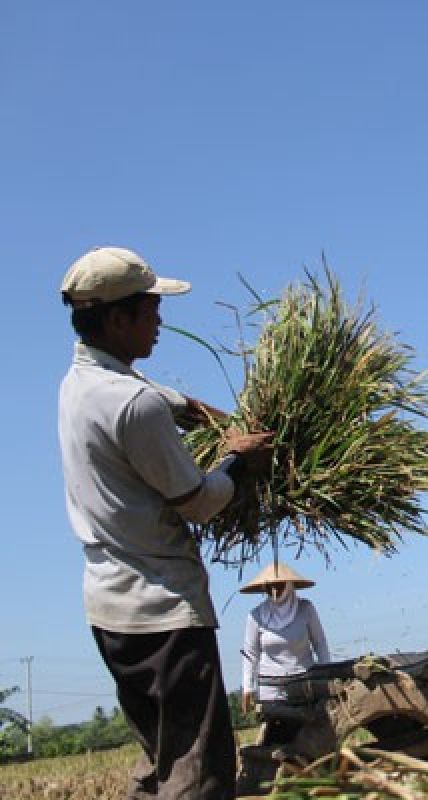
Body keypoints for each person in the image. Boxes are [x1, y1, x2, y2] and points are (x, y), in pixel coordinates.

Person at [58, 245, 274, 800]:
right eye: (150, 310)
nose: (160, 321)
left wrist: (210, 415)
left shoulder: (81, 383)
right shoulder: (134, 405)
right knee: (198, 775)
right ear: (117, 318)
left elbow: (161, 399)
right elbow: (198, 501)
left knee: (163, 759)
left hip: (111, 613)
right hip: (164, 617)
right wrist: (239, 459)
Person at [239, 562, 331, 732]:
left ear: (289, 585)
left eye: (279, 585)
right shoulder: (256, 616)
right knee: (276, 735)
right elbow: (250, 654)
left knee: (307, 733)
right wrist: (248, 688)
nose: (274, 591)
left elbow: (320, 642)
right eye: (270, 586)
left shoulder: (305, 609)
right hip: (270, 690)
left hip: (304, 685)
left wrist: (327, 675)